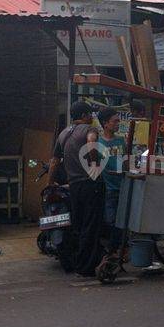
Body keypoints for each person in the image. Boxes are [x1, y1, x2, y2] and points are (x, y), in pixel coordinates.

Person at [50, 101, 104, 277]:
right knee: (91, 225)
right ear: (84, 116)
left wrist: (50, 182)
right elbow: (91, 142)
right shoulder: (89, 129)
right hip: (90, 184)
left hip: (73, 186)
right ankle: (86, 267)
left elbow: (54, 161)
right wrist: (94, 165)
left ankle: (77, 262)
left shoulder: (63, 134)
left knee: (79, 225)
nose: (92, 117)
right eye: (90, 114)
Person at [97, 108, 126, 254]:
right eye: (115, 121)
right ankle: (113, 251)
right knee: (110, 221)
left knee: (122, 221)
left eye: (118, 121)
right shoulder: (98, 143)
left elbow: (126, 161)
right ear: (105, 124)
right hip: (108, 188)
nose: (117, 124)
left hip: (123, 187)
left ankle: (117, 251)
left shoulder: (121, 140)